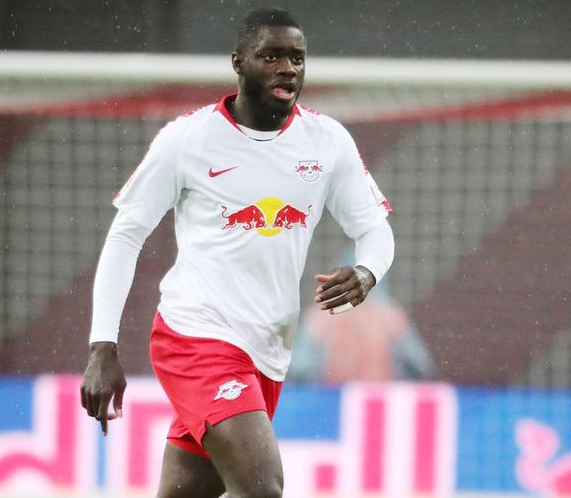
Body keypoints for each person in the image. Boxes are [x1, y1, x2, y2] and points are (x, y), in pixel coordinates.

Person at [80, 8, 394, 497]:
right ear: (239, 62)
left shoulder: (327, 141)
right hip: (195, 336)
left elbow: (374, 228)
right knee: (262, 487)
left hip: (267, 351)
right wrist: (103, 346)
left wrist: (367, 272)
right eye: (271, 56)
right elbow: (126, 236)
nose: (287, 68)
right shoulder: (188, 139)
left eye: (297, 58)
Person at [290, 256, 435, 383]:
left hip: (334, 397)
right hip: (374, 396)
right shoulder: (390, 315)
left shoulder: (322, 314)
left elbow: (299, 367)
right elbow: (420, 366)